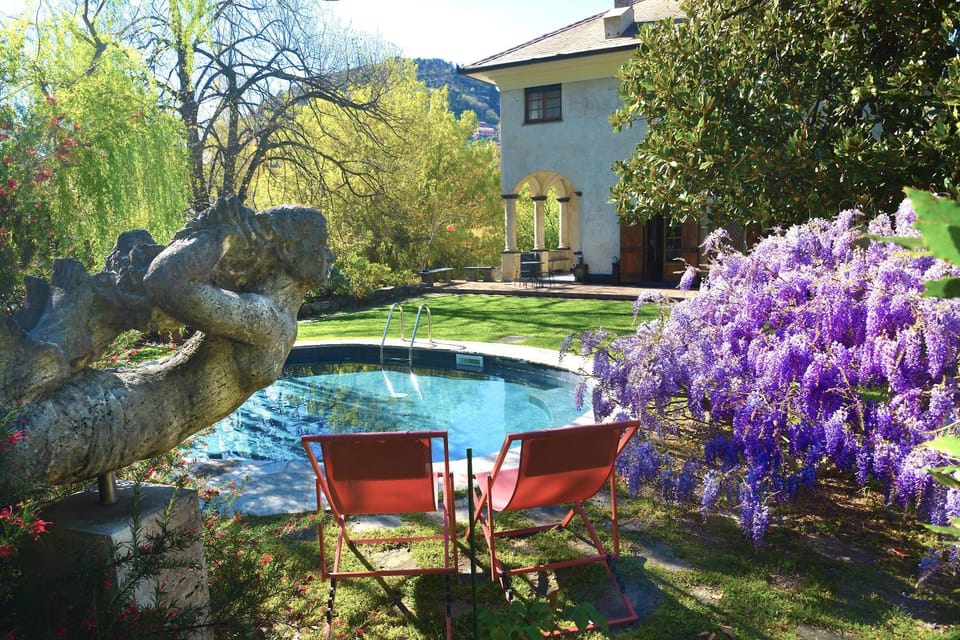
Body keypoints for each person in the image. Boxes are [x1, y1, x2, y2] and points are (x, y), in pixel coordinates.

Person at [0, 197, 333, 498]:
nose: (329, 254)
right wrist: (219, 235)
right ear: (288, 251)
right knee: (15, 450)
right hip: (106, 420)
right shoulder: (264, 318)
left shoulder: (268, 315)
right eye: (321, 243)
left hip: (118, 414)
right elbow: (164, 281)